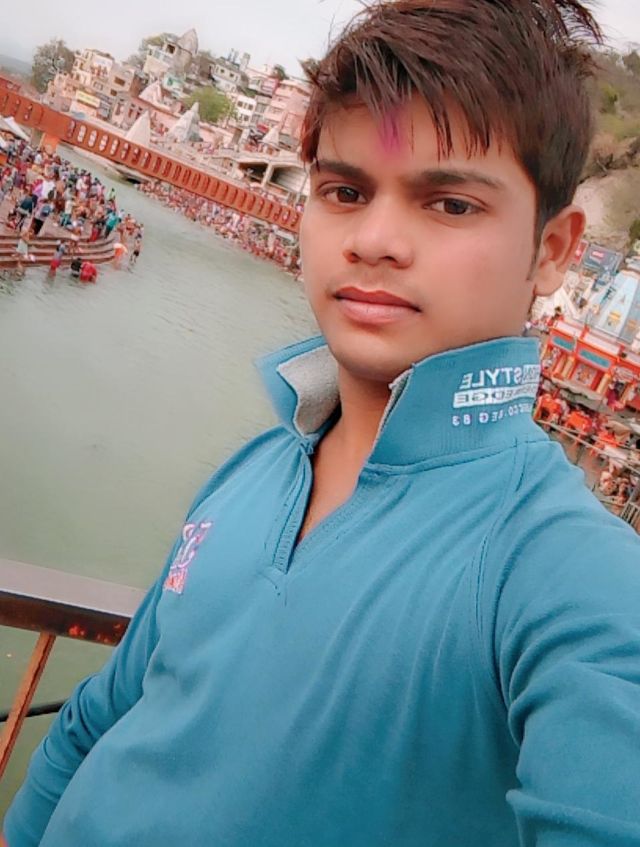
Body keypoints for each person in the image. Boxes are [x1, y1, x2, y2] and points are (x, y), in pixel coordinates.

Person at [5, 2, 640, 846]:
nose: (374, 239)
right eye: (345, 191)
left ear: (553, 250)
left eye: (450, 204)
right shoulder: (255, 467)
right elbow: (95, 719)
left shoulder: (565, 568)